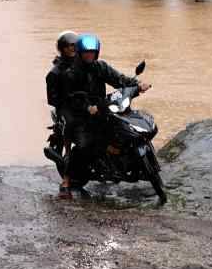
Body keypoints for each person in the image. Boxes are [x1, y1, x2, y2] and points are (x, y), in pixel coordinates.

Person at [62, 33, 151, 191]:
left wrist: (137, 85)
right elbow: (71, 97)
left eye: (92, 52)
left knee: (124, 127)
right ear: (81, 53)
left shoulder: (100, 66)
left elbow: (118, 79)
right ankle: (67, 180)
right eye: (86, 52)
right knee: (85, 145)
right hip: (81, 114)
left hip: (102, 108)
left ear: (96, 53)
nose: (89, 55)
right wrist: (87, 107)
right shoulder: (72, 73)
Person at [46, 30, 78, 194]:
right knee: (70, 129)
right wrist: (70, 100)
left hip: (86, 104)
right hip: (66, 109)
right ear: (62, 48)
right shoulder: (55, 73)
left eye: (75, 45)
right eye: (69, 46)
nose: (73, 48)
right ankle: (66, 178)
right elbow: (52, 99)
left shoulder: (85, 63)